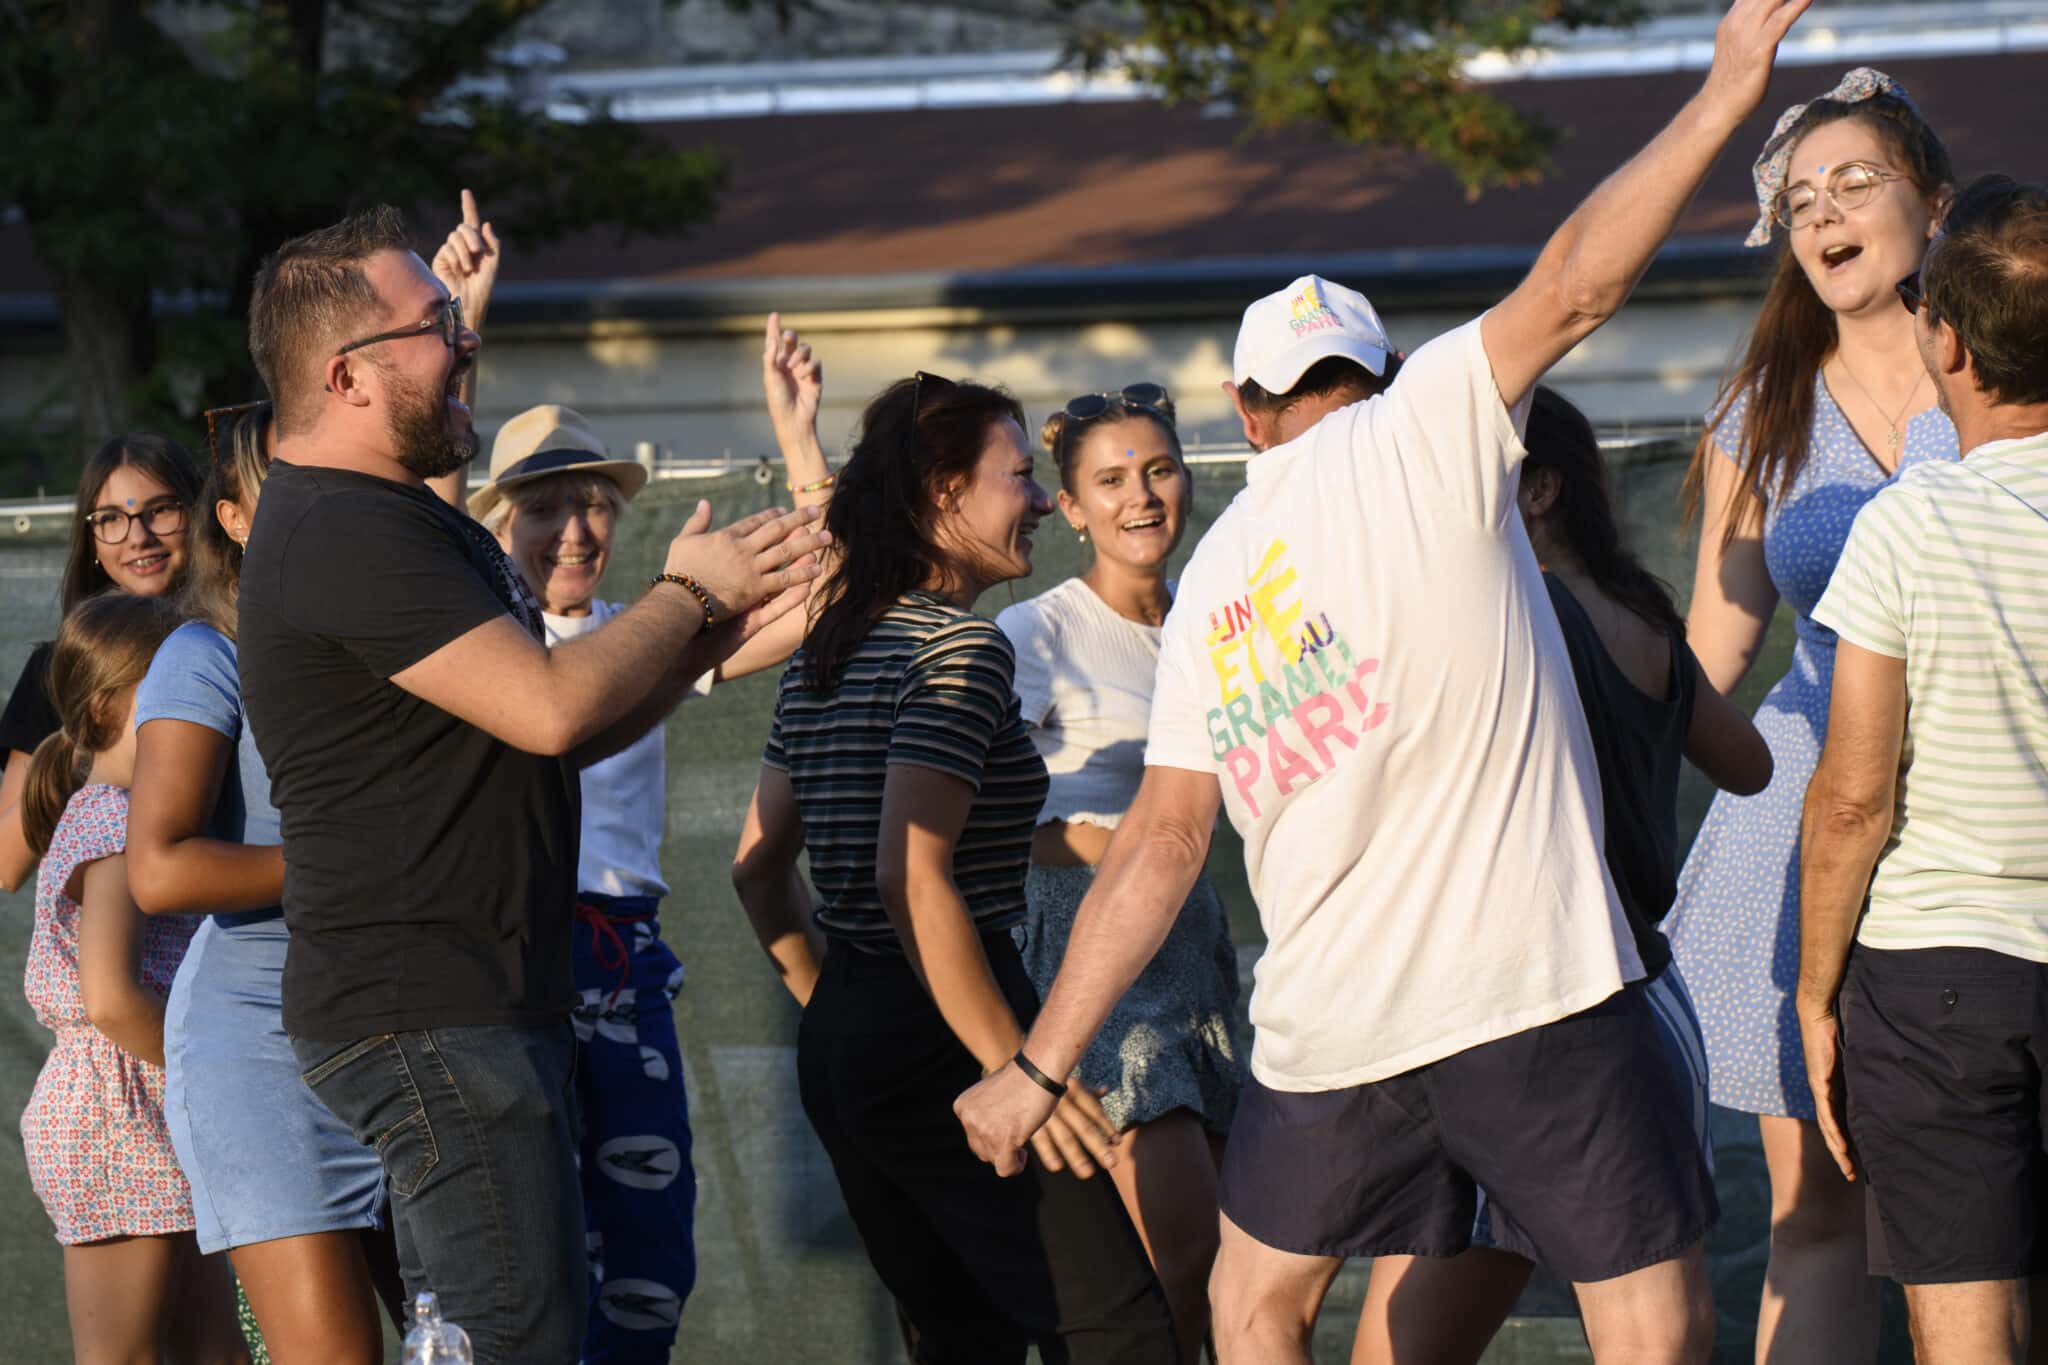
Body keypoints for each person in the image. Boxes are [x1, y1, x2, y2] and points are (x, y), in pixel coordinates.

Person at [956, 3, 1817, 1359]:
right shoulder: (1429, 428)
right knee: (1650, 1323)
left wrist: (1035, 1064)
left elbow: (1163, 842)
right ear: (1386, 373)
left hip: (1333, 1030)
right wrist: (1721, 94)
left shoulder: (1212, 578)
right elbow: (1575, 285)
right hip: (1531, 994)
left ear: (1244, 413)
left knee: (1250, 1307)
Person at [234, 205, 827, 1364]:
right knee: (512, 1338)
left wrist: (691, 639)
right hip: (429, 1012)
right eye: (437, 324)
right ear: (346, 375)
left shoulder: (385, 519)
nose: (464, 340)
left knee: (526, 1330)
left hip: (476, 1005)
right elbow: (551, 706)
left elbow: (550, 737)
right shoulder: (345, 530)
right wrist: (687, 595)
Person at [730, 372, 1178, 1362]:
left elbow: (756, 870)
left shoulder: (831, 648)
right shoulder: (959, 650)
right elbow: (910, 875)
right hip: (951, 1026)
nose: (1037, 500)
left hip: (847, 1038)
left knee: (963, 1339)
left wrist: (838, 1007)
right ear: (943, 492)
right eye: (1018, 474)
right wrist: (1014, 1066)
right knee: (1123, 1333)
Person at [1351, 387, 1773, 1364]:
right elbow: (1749, 764)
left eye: (1472, 474)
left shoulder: (1515, 614)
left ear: (1539, 490)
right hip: (1626, 1003)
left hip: (1541, 1007)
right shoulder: (1641, 617)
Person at [1657, 66, 1959, 1361]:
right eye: (1797, 200)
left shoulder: (2010, 374)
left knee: (1976, 1207)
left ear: (1933, 204)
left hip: (1975, 810)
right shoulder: (1759, 410)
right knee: (1819, 1209)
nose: (1822, 212)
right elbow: (1708, 653)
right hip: (1799, 824)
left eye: (1853, 182)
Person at [465, 369, 830, 1361]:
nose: (574, 530)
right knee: (525, 1247)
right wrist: (459, 328)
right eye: (544, 506)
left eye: (591, 503)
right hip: (507, 967)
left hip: (623, 965)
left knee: (647, 1254)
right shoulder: (472, 650)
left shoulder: (650, 632)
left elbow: (821, 593)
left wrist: (800, 439)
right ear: (495, 524)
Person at [1798, 175, 2048, 1365]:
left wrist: (1811, 993)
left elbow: (1853, 796)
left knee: (1965, 1333)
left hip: (1936, 976)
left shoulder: (1907, 523)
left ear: (1944, 341)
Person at [126, 402, 401, 1364]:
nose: (318, 503)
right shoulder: (203, 652)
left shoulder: (393, 634)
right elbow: (158, 866)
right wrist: (352, 867)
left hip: (409, 1031)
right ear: (233, 517)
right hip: (263, 1052)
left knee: (473, 1340)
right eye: (286, 484)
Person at [994, 383, 1248, 1360]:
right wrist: (1129, 849)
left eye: (1158, 471)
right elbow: (987, 824)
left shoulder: (1218, 626)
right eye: (1110, 480)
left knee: (1231, 1279)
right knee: (1177, 1268)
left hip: (1198, 955)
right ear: (1069, 506)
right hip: (1092, 959)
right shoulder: (1037, 633)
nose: (1139, 496)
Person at [18, 591, 244, 1365]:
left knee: (216, 1351)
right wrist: (208, 1073)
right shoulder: (111, 818)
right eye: (174, 682)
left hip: (154, 1106)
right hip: (115, 1114)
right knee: (124, 1355)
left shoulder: (134, 813)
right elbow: (111, 998)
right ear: (107, 705)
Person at [0, 434, 202, 892]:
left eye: (160, 510)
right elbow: (7, 866)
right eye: (111, 519)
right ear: (90, 539)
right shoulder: (56, 673)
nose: (139, 537)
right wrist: (91, 740)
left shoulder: (241, 646)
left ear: (199, 514)